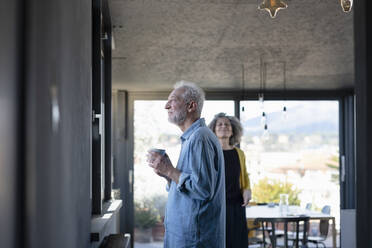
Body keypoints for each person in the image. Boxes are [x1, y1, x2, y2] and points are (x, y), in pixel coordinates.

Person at [147, 81, 226, 248]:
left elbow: (203, 189)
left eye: (173, 100)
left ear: (191, 106)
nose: (166, 106)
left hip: (194, 241)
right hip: (188, 238)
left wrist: (170, 170)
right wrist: (167, 174)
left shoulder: (200, 138)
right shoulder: (193, 138)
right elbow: (189, 185)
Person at [208, 112, 251, 248]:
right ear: (213, 130)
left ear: (233, 130)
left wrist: (247, 190)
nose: (223, 126)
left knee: (237, 242)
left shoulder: (240, 153)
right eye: (219, 124)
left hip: (236, 206)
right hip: (216, 207)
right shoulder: (210, 153)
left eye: (227, 124)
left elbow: (245, 177)